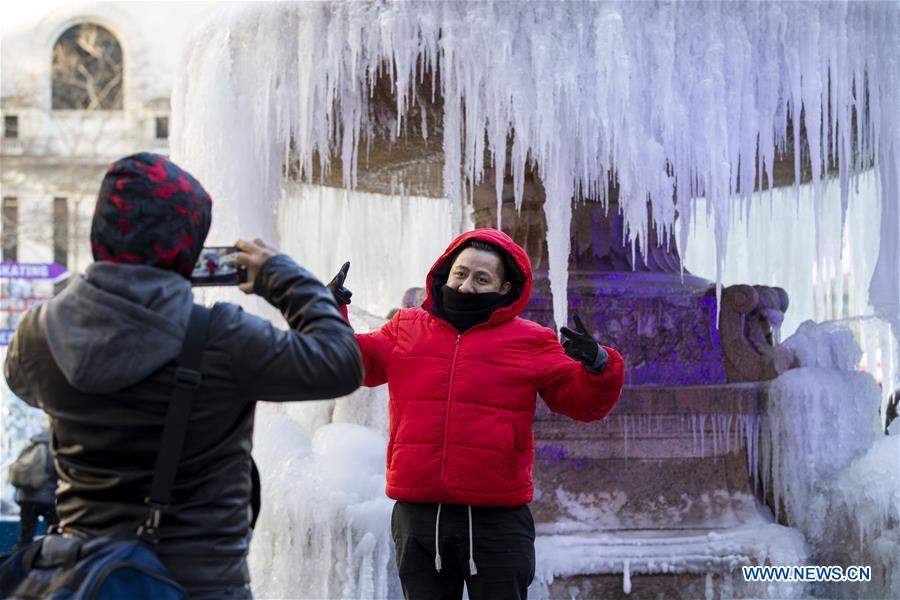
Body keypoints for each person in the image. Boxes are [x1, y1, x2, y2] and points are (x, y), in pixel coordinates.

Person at [3, 152, 363, 598]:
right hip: (199, 584)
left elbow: (23, 385)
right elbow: (341, 363)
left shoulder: (37, 334)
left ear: (101, 230)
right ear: (187, 243)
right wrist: (282, 277)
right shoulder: (224, 337)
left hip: (87, 579)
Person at [327, 228, 625, 600]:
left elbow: (583, 403)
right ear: (445, 273)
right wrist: (327, 313)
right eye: (461, 273)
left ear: (505, 289)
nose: (466, 285)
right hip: (419, 518)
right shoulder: (405, 328)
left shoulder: (532, 341)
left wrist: (598, 365)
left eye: (482, 278)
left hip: (496, 522)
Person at [9, 428, 59, 548]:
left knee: (26, 537)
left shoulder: (31, 446)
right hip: (47, 498)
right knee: (57, 533)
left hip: (26, 497)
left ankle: (19, 562)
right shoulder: (53, 448)